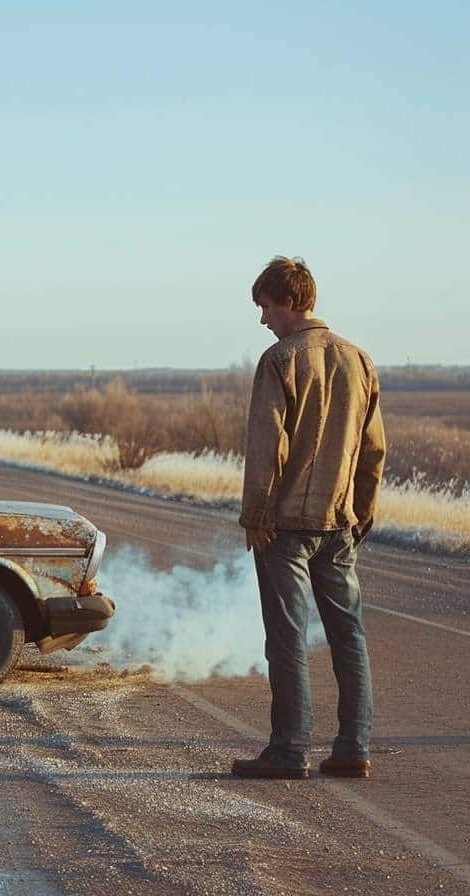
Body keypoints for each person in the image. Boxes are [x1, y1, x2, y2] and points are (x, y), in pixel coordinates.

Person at [231, 256, 386, 780]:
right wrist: (358, 516)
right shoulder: (360, 360)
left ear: (291, 303)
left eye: (266, 307)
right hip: (338, 525)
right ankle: (353, 748)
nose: (263, 319)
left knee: (287, 639)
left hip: (285, 529)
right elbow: (372, 451)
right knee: (349, 636)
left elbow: (265, 447)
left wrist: (256, 516)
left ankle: (288, 750)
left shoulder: (279, 360)